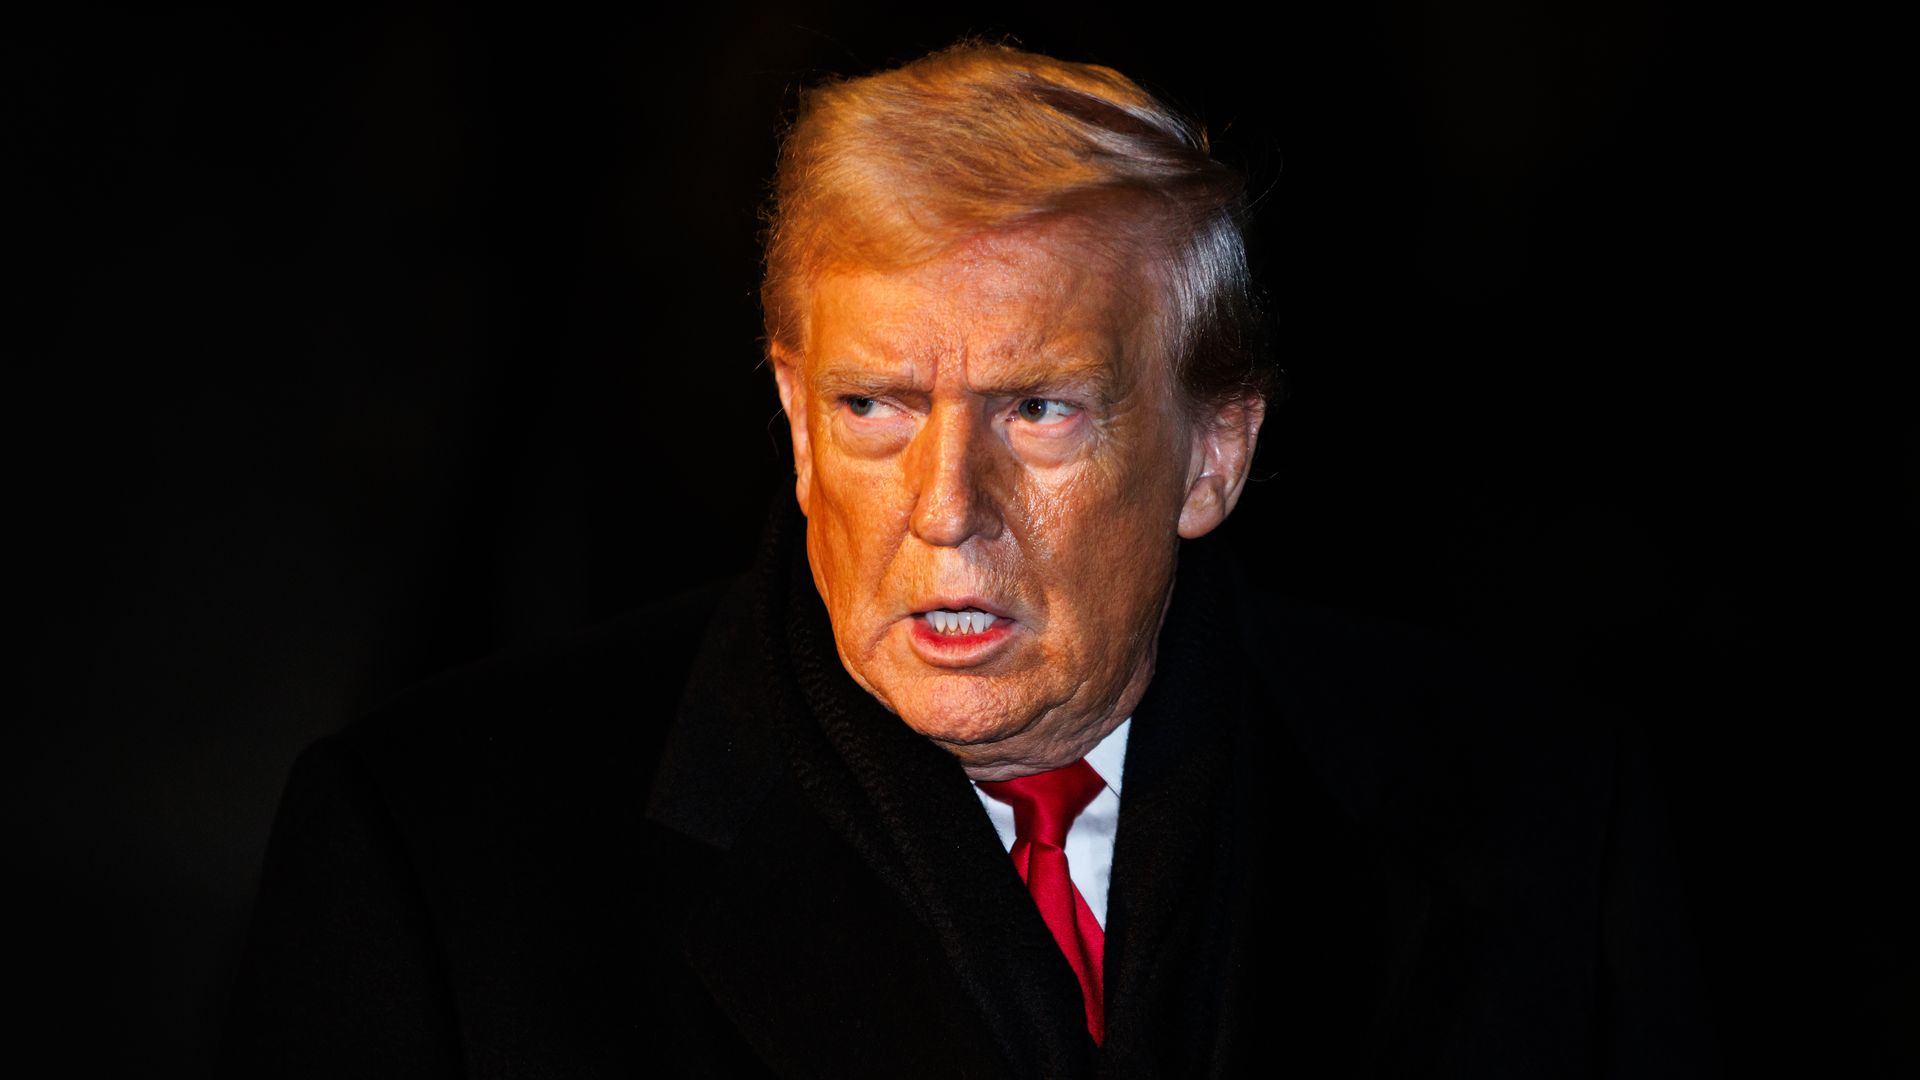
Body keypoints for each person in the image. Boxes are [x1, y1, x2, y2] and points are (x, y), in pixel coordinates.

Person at [220, 43, 1712, 1078]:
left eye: (1040, 410)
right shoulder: (433, 860)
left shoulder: (1542, 826)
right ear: (796, 422)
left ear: (1215, 454)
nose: (946, 508)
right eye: (877, 407)